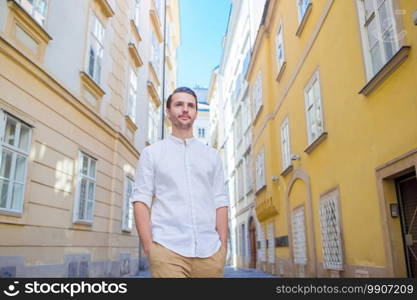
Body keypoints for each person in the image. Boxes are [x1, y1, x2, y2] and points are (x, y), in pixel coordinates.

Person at [131, 87, 229, 278]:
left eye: (190, 105)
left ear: (195, 113)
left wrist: (222, 246)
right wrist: (149, 247)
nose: (185, 109)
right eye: (179, 105)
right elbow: (140, 200)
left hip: (210, 252)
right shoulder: (152, 153)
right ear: (168, 112)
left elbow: (220, 200)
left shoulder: (212, 156)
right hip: (167, 251)